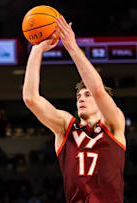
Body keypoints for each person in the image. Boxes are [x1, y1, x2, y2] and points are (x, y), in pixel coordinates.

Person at [22, 16, 126, 202]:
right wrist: (37, 50)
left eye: (86, 96)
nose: (81, 99)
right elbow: (30, 99)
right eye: (78, 96)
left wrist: (71, 46)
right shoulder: (66, 128)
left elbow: (97, 90)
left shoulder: (113, 124)